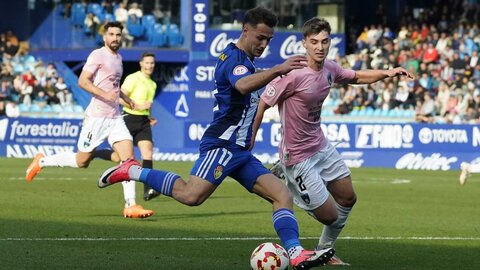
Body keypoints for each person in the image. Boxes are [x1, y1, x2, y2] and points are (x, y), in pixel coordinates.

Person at [96, 7, 334, 270]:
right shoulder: (234, 59)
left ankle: (296, 252)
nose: (264, 44)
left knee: (282, 196)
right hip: (222, 145)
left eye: (269, 40)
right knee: (191, 195)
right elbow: (242, 85)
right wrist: (278, 69)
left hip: (239, 151)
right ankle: (132, 170)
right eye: (260, 38)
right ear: (246, 30)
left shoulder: (246, 60)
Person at [251, 17, 414, 266]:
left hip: (321, 146)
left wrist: (387, 73)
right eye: (314, 42)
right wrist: (250, 140)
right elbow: (262, 104)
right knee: (329, 215)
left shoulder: (330, 68)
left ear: (329, 43)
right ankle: (284, 181)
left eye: (324, 41)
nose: (319, 47)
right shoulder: (292, 74)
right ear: (304, 43)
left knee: (348, 198)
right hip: (297, 156)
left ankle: (325, 250)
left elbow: (356, 76)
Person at [25, 21, 154, 219]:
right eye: (111, 34)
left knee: (128, 160)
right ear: (104, 37)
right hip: (96, 118)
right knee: (81, 161)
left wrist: (127, 100)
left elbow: (114, 87)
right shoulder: (97, 55)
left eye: (118, 35)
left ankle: (131, 205)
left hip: (115, 117)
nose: (115, 38)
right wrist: (105, 94)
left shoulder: (119, 58)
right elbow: (82, 81)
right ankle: (41, 161)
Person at [94, 52, 160, 201]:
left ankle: (148, 189)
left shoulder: (152, 84)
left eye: (152, 63)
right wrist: (137, 106)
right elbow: (119, 97)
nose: (150, 65)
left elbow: (146, 105)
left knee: (147, 153)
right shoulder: (133, 78)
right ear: (141, 64)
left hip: (143, 121)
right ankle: (95, 153)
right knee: (119, 157)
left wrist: (149, 117)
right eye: (147, 63)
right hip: (129, 118)